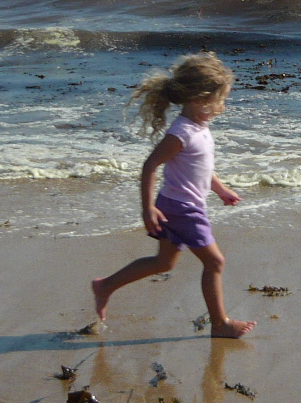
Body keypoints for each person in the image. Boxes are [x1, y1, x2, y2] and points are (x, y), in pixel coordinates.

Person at [92, 53, 255, 338]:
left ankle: (105, 285)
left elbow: (200, 167)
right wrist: (146, 209)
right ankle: (220, 324)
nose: (223, 106)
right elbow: (150, 165)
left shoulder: (199, 128)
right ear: (199, 98)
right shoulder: (182, 133)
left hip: (175, 204)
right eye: (221, 99)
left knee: (163, 263)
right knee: (215, 262)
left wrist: (219, 188)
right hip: (183, 209)